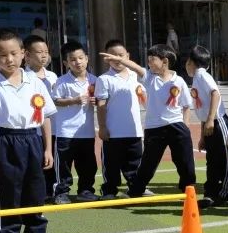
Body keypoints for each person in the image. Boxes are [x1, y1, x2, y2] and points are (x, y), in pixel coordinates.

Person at [0, 29, 56, 233]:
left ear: (23, 53)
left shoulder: (35, 81)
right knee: (9, 194)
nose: (8, 59)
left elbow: (46, 118)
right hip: (6, 141)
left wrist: (48, 148)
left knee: (36, 192)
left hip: (33, 139)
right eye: (1, 55)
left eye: (13, 53)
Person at [99, 44, 195, 197]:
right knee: (148, 164)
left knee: (185, 161)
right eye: (148, 60)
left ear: (165, 61)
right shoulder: (149, 77)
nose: (149, 63)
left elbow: (186, 106)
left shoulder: (179, 81)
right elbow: (136, 67)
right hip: (154, 128)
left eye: (152, 60)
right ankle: (136, 190)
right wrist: (120, 59)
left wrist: (186, 126)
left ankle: (188, 189)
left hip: (177, 126)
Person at [185, 45, 228, 208]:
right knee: (212, 160)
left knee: (224, 159)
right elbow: (202, 108)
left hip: (219, 122)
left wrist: (212, 119)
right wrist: (202, 136)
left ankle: (225, 192)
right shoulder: (198, 78)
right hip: (210, 123)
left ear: (192, 62)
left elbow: (215, 93)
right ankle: (211, 192)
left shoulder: (201, 75)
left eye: (187, 62)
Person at [94, 39, 144, 199]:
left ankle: (136, 188)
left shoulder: (136, 76)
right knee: (111, 164)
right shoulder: (104, 79)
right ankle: (109, 190)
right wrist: (102, 126)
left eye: (121, 55)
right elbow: (101, 104)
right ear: (106, 58)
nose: (117, 59)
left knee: (135, 162)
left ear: (127, 56)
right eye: (113, 56)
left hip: (134, 130)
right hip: (113, 132)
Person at [50, 43, 99, 203]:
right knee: (64, 165)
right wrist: (73, 100)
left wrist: (96, 101)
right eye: (73, 60)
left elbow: (102, 100)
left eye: (81, 58)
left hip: (87, 131)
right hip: (65, 131)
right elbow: (55, 101)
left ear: (87, 59)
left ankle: (85, 190)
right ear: (66, 63)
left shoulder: (95, 80)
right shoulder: (62, 81)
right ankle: (61, 193)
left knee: (88, 164)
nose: (78, 62)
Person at [23, 34, 59, 204]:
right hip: (32, 129)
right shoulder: (24, 77)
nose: (44, 55)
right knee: (36, 161)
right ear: (27, 55)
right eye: (39, 52)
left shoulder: (52, 76)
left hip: (51, 126)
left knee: (50, 158)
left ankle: (50, 190)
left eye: (46, 51)